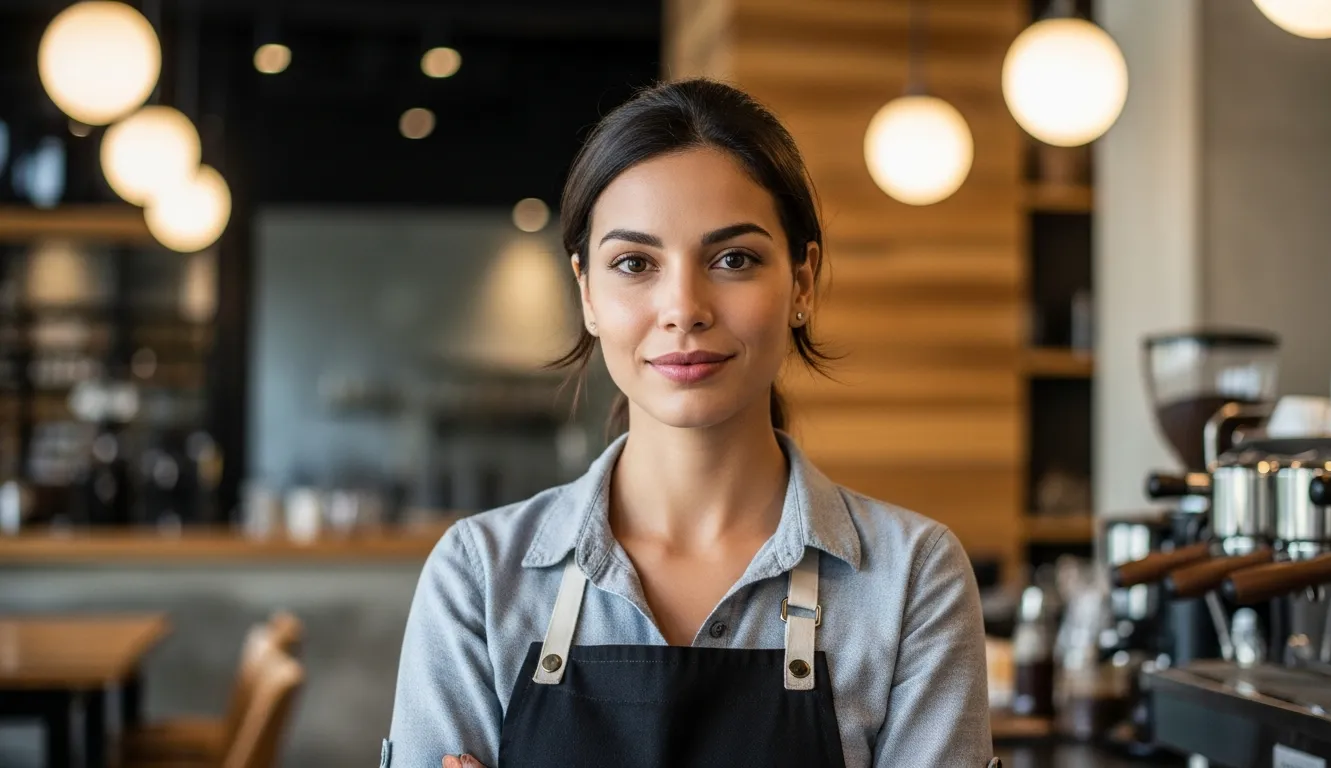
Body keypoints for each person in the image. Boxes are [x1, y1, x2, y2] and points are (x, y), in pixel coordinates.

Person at [385, 78, 993, 768]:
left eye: (733, 259)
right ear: (587, 293)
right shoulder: (480, 577)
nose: (684, 307)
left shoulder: (912, 578)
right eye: (634, 263)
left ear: (801, 281)